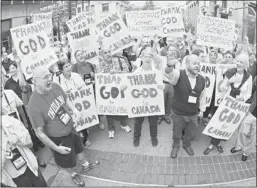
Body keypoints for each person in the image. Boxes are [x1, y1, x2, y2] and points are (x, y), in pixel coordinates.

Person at [27, 67, 100, 187]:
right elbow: (39, 133)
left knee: (79, 149)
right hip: (58, 139)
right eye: (45, 77)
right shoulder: (33, 105)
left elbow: (65, 100)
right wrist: (56, 148)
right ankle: (73, 174)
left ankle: (85, 164)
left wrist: (74, 110)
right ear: (35, 81)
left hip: (71, 128)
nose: (50, 78)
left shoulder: (55, 86)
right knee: (66, 161)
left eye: (50, 75)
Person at [204, 53, 252, 155]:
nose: (238, 64)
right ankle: (213, 144)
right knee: (219, 123)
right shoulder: (230, 72)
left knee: (227, 126)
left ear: (245, 64)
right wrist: (229, 81)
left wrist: (242, 98)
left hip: (238, 105)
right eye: (238, 61)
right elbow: (222, 88)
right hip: (226, 102)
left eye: (241, 62)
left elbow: (249, 93)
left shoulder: (249, 77)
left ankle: (218, 143)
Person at [165, 54, 206, 158]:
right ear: (187, 65)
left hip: (193, 114)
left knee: (190, 133)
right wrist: (169, 66)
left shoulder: (202, 79)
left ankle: (186, 145)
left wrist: (202, 110)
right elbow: (170, 74)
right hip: (178, 113)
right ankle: (175, 146)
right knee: (177, 133)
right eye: (194, 63)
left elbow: (202, 95)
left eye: (198, 63)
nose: (197, 65)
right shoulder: (179, 74)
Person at [53, 55, 92, 147]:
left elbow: (85, 87)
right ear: (61, 70)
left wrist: (81, 88)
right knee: (73, 124)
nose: (69, 68)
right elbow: (57, 93)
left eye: (69, 65)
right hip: (68, 106)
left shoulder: (76, 76)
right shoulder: (58, 80)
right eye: (66, 67)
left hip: (80, 103)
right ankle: (77, 140)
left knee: (83, 121)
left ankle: (85, 138)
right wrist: (65, 92)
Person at [96, 46, 132, 139]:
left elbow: (127, 72)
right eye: (105, 53)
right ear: (102, 55)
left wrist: (116, 73)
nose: (108, 54)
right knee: (109, 110)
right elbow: (98, 80)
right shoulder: (99, 66)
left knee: (122, 108)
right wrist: (107, 74)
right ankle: (111, 129)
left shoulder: (120, 61)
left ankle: (123, 124)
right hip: (108, 93)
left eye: (109, 52)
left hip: (120, 90)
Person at [1, 115, 47, 187]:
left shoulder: (9, 121)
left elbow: (29, 142)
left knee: (42, 185)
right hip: (15, 177)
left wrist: (18, 137)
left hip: (31, 166)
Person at [133, 46, 165, 147]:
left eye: (149, 57)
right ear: (141, 58)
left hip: (152, 102)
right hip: (140, 102)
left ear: (151, 59)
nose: (147, 58)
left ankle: (154, 137)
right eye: (145, 57)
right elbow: (129, 85)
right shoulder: (136, 72)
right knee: (138, 122)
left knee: (153, 122)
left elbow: (161, 85)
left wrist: (162, 86)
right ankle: (136, 137)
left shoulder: (156, 72)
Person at [72, 49, 105, 130]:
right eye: (78, 55)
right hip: (82, 92)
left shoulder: (90, 64)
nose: (81, 56)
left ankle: (99, 121)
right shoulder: (74, 67)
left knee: (95, 105)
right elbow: (71, 79)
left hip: (92, 89)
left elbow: (97, 77)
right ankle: (86, 125)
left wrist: (94, 77)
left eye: (81, 54)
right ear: (76, 58)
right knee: (85, 108)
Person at [231, 76, 256, 161]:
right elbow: (251, 90)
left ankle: (246, 152)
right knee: (242, 130)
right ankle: (239, 146)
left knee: (253, 136)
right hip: (251, 112)